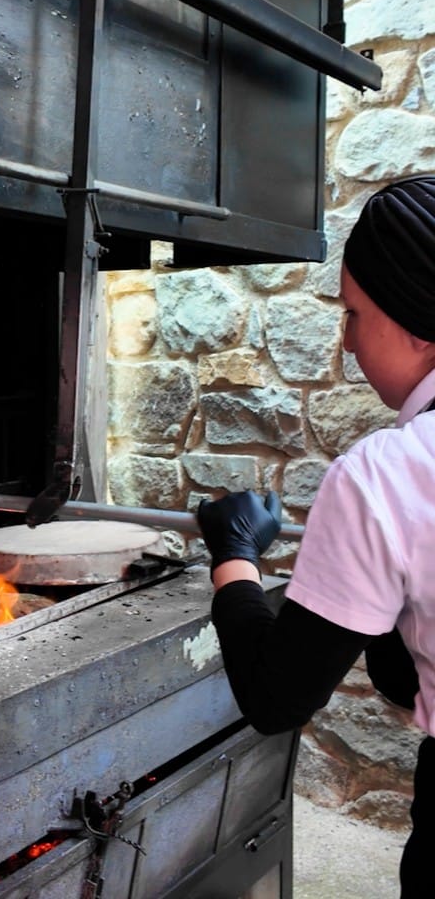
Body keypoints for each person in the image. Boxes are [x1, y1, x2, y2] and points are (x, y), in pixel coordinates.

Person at [197, 174, 435, 899]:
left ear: (422, 326)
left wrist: (234, 555)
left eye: (355, 314)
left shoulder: (389, 471)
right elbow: (402, 670)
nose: (347, 340)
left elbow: (276, 698)